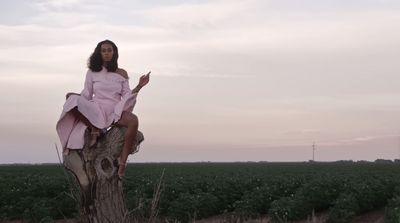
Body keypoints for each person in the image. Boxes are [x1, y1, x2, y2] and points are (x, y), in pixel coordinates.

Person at [56, 39, 150, 178]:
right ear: (99, 53)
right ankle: (94, 129)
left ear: (114, 53)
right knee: (71, 98)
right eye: (103, 50)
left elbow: (126, 96)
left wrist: (140, 86)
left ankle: (122, 162)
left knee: (134, 120)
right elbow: (87, 94)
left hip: (114, 110)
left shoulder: (122, 73)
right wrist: (76, 97)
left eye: (109, 50)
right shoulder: (92, 72)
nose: (107, 53)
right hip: (97, 109)